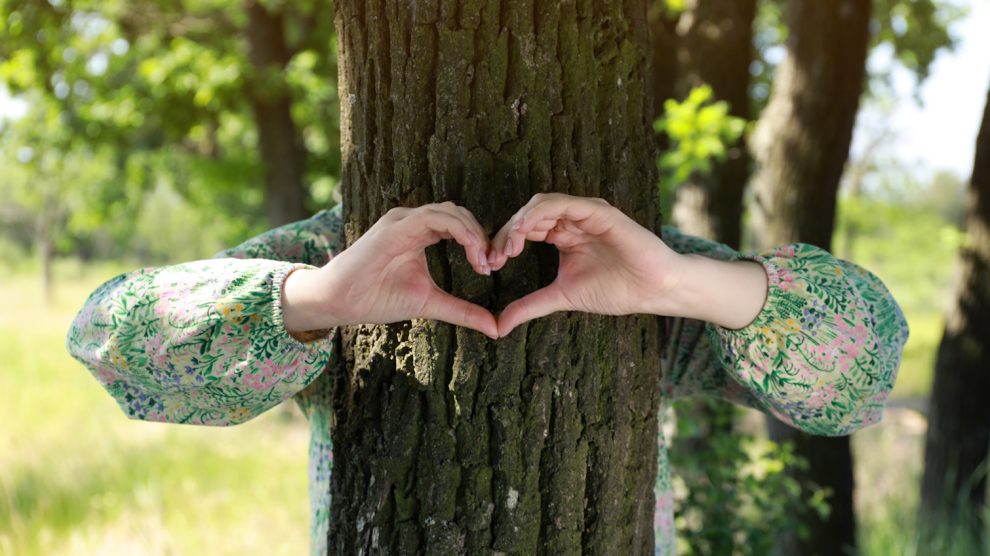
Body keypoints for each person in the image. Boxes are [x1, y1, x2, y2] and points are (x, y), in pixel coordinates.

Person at [66, 193, 909, 555]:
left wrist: (680, 284)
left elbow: (862, 378)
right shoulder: (336, 247)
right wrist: (320, 297)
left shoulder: (637, 260)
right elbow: (112, 343)